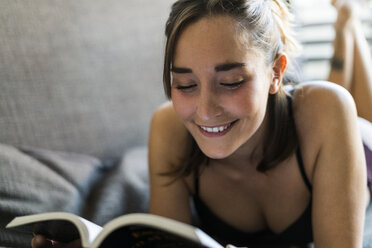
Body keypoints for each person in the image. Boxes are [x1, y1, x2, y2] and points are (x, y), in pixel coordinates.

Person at [32, 0, 372, 247]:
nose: (205, 111)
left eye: (231, 82)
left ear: (275, 72)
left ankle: (348, 27)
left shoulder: (326, 111)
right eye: (185, 85)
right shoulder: (168, 128)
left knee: (347, 101)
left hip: (358, 146)